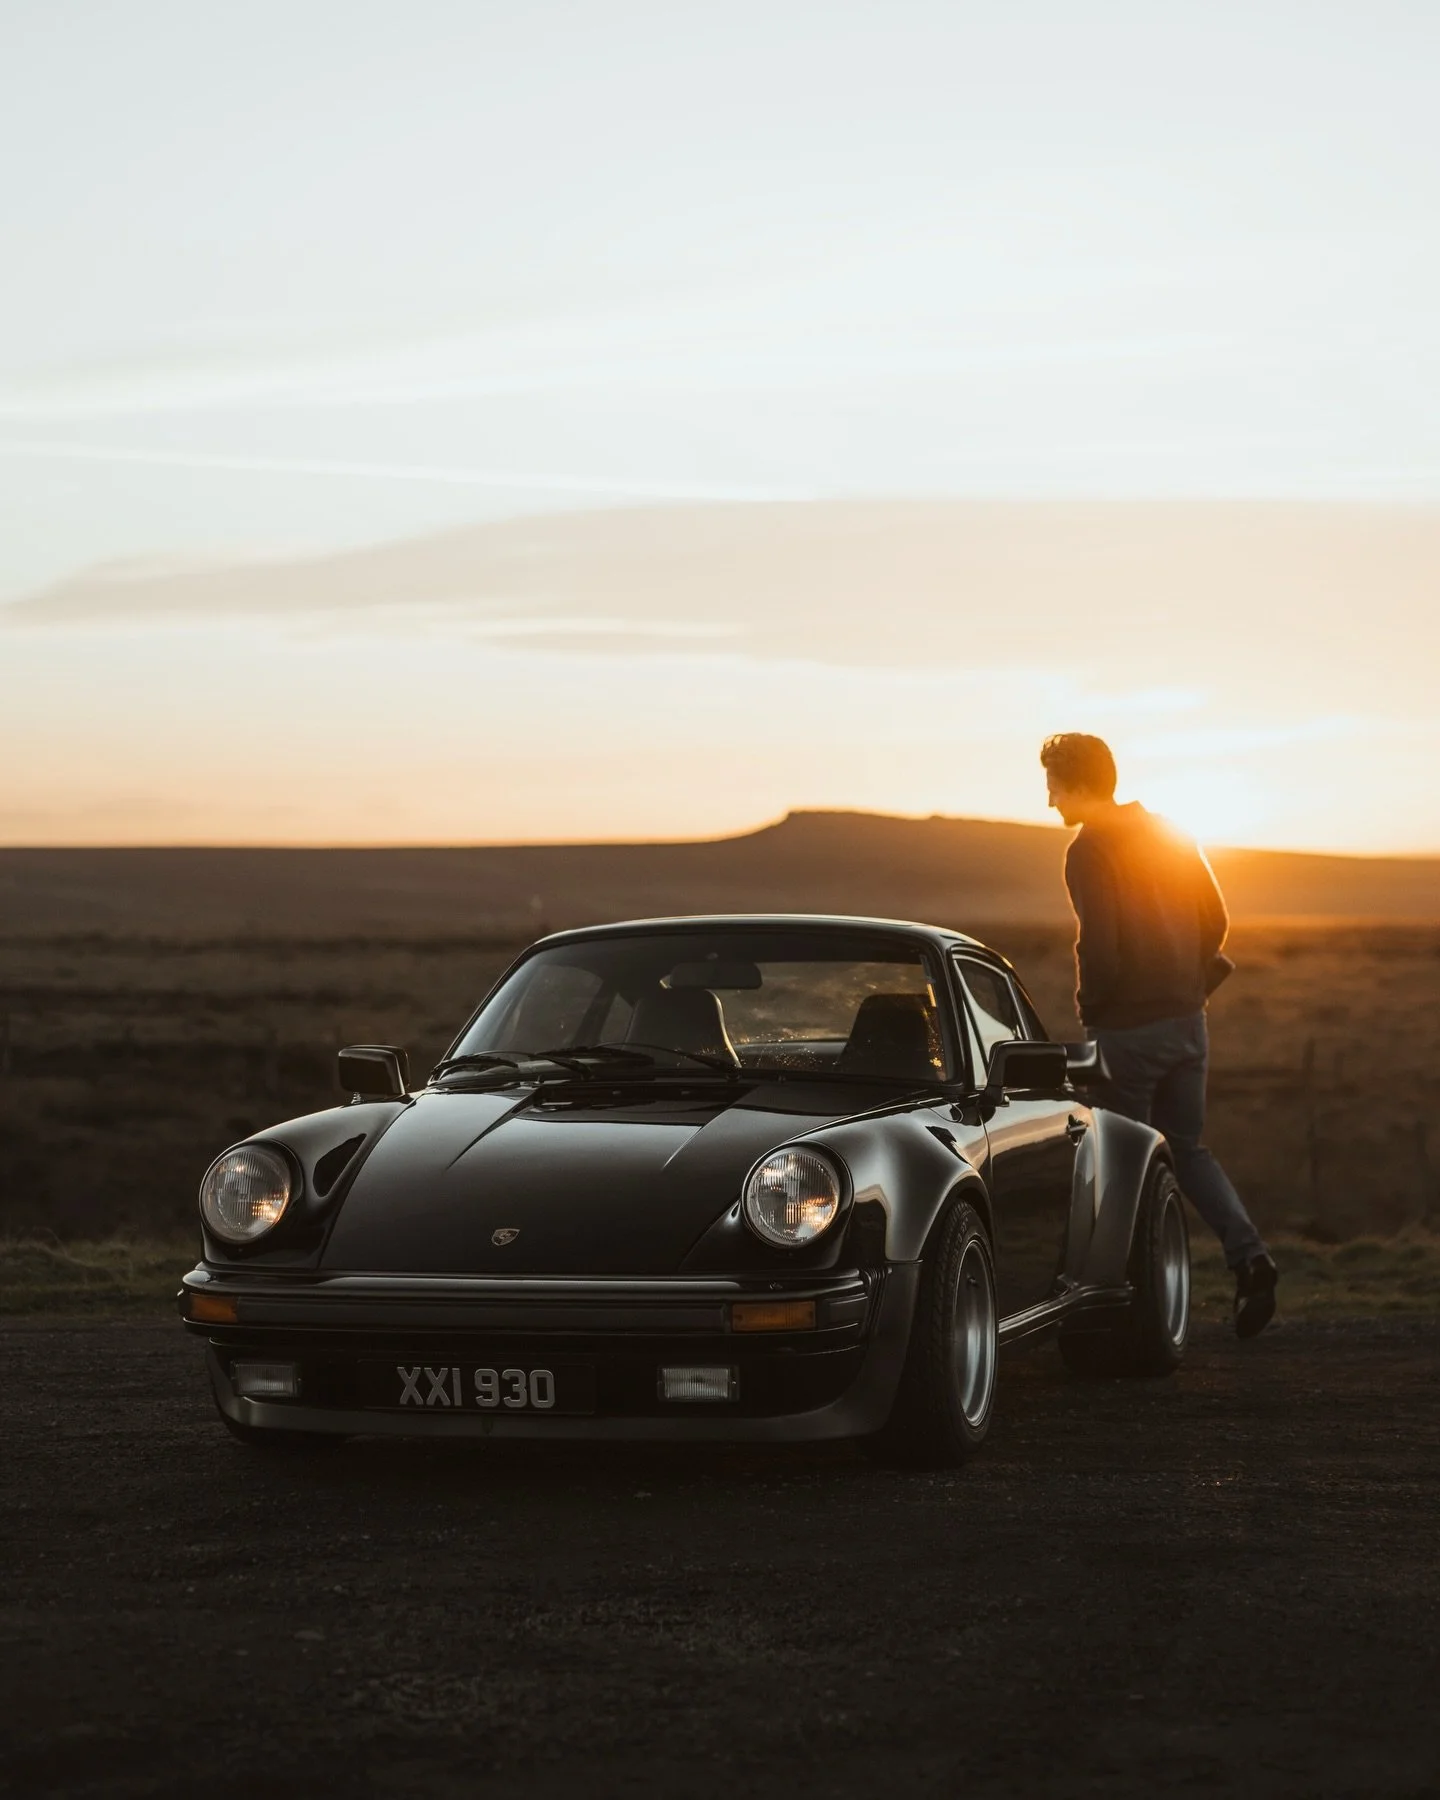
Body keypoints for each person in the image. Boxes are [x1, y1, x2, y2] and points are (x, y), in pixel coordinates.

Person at [1040, 732, 1278, 1338]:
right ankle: (1250, 1258)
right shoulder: (1169, 831)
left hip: (1126, 1031)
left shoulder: (1088, 851)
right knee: (1188, 1150)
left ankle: (1112, 1304)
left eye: (1054, 786)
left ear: (1079, 784)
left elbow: (1101, 943)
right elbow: (1217, 919)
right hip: (1188, 1022)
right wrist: (1191, 984)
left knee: (1115, 1161)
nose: (1049, 801)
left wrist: (1094, 1009)